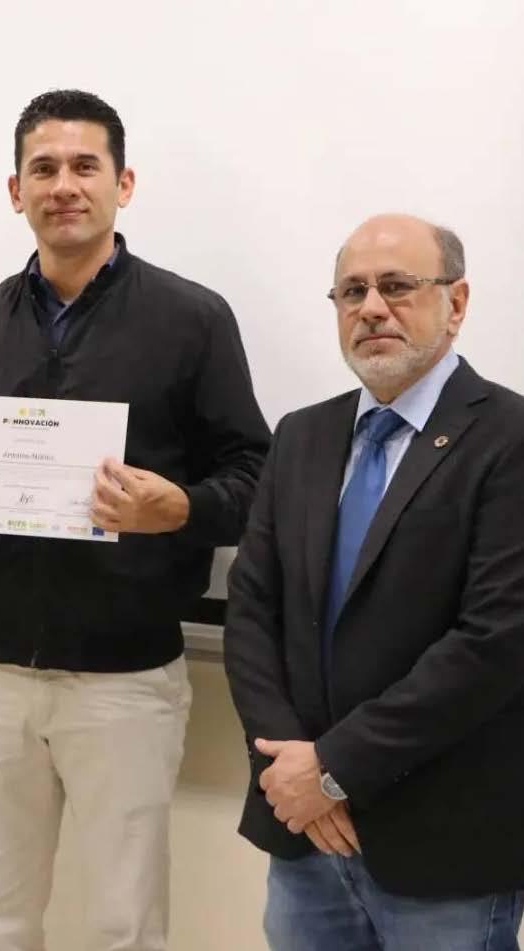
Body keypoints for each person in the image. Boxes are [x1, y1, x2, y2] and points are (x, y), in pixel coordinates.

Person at [0, 89, 270, 950]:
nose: (63, 185)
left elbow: (255, 475)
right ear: (14, 190)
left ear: (122, 183)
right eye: (43, 168)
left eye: (84, 166)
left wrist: (183, 509)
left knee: (122, 927)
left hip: (124, 677)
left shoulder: (192, 319)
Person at [224, 213, 524, 950]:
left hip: (442, 843)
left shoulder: (509, 438)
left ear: (456, 303)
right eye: (352, 291)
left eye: (396, 286)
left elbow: (494, 642)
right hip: (304, 834)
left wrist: (332, 768)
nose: (371, 308)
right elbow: (252, 611)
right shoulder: (301, 434)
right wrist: (290, 768)